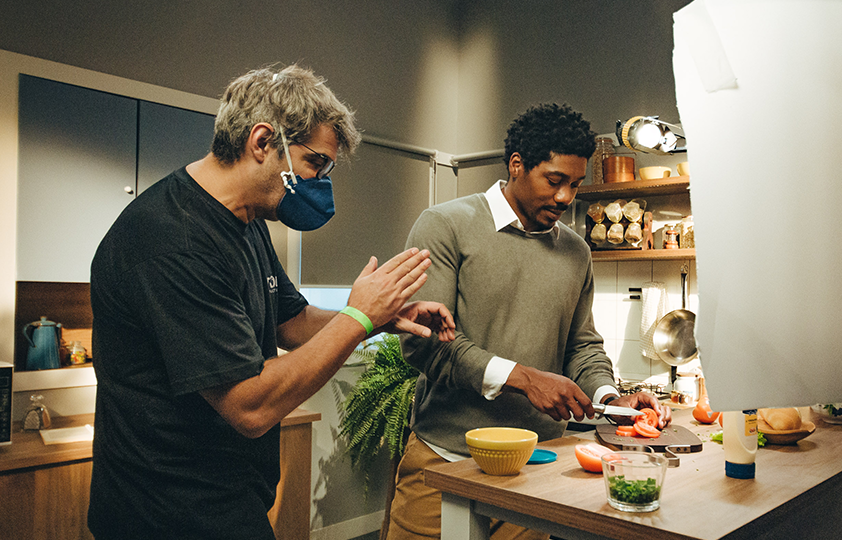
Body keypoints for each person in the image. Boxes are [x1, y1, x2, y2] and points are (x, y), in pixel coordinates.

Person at [87, 64, 455, 540]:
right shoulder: (172, 240)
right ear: (263, 142)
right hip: (165, 510)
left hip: (227, 496)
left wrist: (383, 317)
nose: (321, 182)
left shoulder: (246, 220)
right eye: (316, 164)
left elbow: (292, 320)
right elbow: (250, 406)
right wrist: (358, 317)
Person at [387, 103, 671, 540]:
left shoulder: (576, 251)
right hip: (445, 459)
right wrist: (524, 378)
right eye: (554, 181)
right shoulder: (446, 225)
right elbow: (427, 343)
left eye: (575, 185)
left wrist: (613, 398)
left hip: (538, 467)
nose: (565, 198)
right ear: (516, 165)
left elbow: (583, 346)